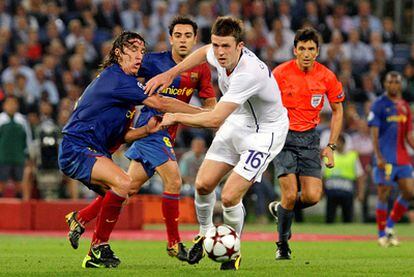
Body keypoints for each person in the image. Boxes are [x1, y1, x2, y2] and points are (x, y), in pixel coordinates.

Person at [64, 17, 216, 262]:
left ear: (195, 39)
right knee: (173, 181)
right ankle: (174, 244)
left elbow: (209, 98)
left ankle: (81, 219)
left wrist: (212, 111)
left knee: (127, 188)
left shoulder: (201, 69)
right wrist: (208, 116)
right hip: (147, 131)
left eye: (188, 35)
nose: (183, 40)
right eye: (178, 35)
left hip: (155, 131)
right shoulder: (149, 64)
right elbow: (148, 92)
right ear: (171, 38)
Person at [146, 16, 289, 270]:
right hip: (239, 120)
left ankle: (233, 251)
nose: (219, 52)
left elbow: (214, 119)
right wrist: (170, 73)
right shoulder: (215, 52)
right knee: (203, 185)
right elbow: (202, 52)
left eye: (226, 47)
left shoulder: (248, 74)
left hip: (265, 133)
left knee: (231, 196)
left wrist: (176, 116)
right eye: (216, 45)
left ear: (240, 46)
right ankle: (205, 232)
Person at [268, 27, 344, 260]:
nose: (307, 53)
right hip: (283, 137)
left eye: (311, 49)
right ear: (295, 50)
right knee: (290, 195)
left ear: (318, 51)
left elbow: (338, 110)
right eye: (302, 48)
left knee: (312, 197)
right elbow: (264, 104)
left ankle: (281, 210)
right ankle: (282, 245)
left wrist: (330, 147)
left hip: (310, 138)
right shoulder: (279, 74)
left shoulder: (327, 76)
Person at [367, 71, 414, 247]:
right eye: (390, 82)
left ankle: (389, 227)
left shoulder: (405, 106)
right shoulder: (379, 105)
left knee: (410, 192)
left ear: (400, 85)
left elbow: (409, 135)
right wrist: (378, 156)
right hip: (385, 158)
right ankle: (381, 236)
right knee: (384, 193)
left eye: (396, 82)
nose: (393, 85)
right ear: (385, 84)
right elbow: (374, 134)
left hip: (402, 158)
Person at [322, 134, 365, 223]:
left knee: (348, 219)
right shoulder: (328, 156)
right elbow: (322, 175)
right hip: (331, 191)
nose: (338, 144)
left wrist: (360, 192)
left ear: (344, 143)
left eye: (340, 142)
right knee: (329, 219)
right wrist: (321, 191)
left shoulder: (352, 156)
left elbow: (360, 175)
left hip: (347, 192)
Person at [0, 96, 32, 199]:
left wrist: (28, 155)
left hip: (19, 158)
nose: (11, 106)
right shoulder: (0, 120)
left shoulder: (22, 120)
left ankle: (21, 209)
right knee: (1, 184)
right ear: (4, 106)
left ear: (17, 105)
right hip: (2, 158)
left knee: (20, 184)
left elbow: (28, 139)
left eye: (14, 103)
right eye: (9, 103)